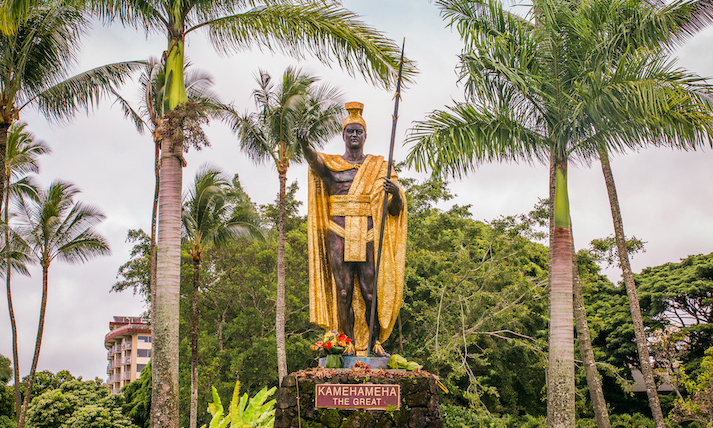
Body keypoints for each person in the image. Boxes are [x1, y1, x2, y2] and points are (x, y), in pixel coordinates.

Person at [299, 101, 407, 357]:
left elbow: (394, 210)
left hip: (368, 232)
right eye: (350, 131)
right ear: (344, 135)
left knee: (370, 293)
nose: (354, 135)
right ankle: (345, 342)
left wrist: (397, 195)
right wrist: (304, 146)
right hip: (339, 230)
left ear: (365, 135)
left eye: (359, 131)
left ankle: (372, 344)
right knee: (344, 290)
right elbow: (315, 163)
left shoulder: (380, 168)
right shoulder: (333, 166)